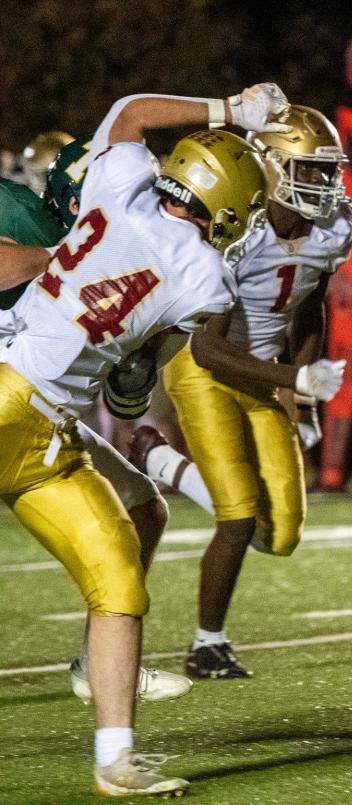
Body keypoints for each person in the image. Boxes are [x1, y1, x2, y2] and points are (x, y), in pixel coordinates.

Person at [0, 83, 284, 796]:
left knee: (120, 575)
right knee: (119, 580)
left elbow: (129, 111)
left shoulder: (117, 185)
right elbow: (212, 351)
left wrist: (229, 110)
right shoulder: (203, 270)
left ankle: (117, 761)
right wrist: (291, 376)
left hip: (45, 432)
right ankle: (113, 756)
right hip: (17, 401)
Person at [127, 105, 352, 680]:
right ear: (272, 169)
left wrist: (299, 397)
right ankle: (208, 645)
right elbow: (207, 348)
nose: (325, 185)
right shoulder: (236, 226)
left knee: (280, 535)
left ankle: (161, 463)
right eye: (311, 171)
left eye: (329, 172)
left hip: (263, 373)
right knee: (237, 515)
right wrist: (296, 382)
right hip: (203, 371)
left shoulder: (330, 228)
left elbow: (310, 311)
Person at [0, 137, 193, 707]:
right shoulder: (18, 210)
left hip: (37, 419)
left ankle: (98, 664)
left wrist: (149, 349)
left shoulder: (135, 265)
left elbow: (124, 400)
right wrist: (70, 257)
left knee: (142, 504)